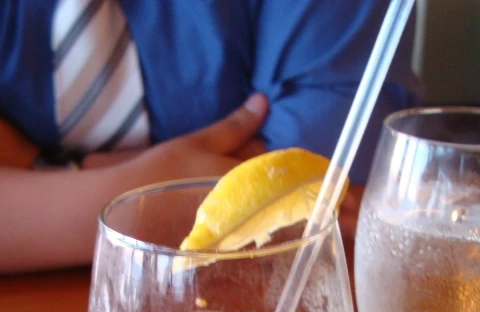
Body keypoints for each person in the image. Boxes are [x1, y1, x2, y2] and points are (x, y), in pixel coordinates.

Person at [0, 0, 419, 274]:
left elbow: (317, 175)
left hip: (258, 296)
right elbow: (262, 190)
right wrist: (149, 194)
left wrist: (42, 182)